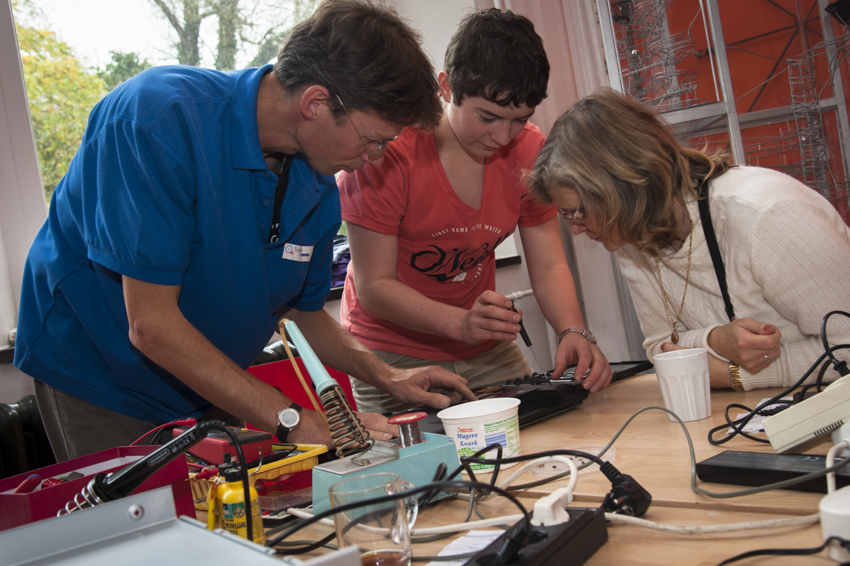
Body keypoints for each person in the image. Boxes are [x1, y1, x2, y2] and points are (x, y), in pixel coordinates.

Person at [12, 0, 477, 461]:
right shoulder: (158, 119)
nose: (375, 156)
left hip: (204, 373)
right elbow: (151, 324)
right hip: (99, 374)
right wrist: (294, 419)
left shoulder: (315, 180)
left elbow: (301, 312)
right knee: (139, 522)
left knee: (228, 520)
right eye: (374, 139)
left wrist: (384, 374)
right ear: (315, 102)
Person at [337, 8, 612, 414]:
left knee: (534, 438)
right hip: (391, 351)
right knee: (424, 468)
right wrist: (459, 323)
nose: (503, 136)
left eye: (520, 119)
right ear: (446, 88)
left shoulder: (527, 150)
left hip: (482, 347)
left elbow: (550, 261)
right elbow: (375, 287)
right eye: (488, 117)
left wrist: (573, 329)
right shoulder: (389, 153)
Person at [526, 87, 850, 390]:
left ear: (621, 187)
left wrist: (736, 375)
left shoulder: (767, 215)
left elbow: (846, 351)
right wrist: (715, 342)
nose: (576, 229)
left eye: (578, 212)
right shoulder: (631, 238)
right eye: (566, 216)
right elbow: (658, 349)